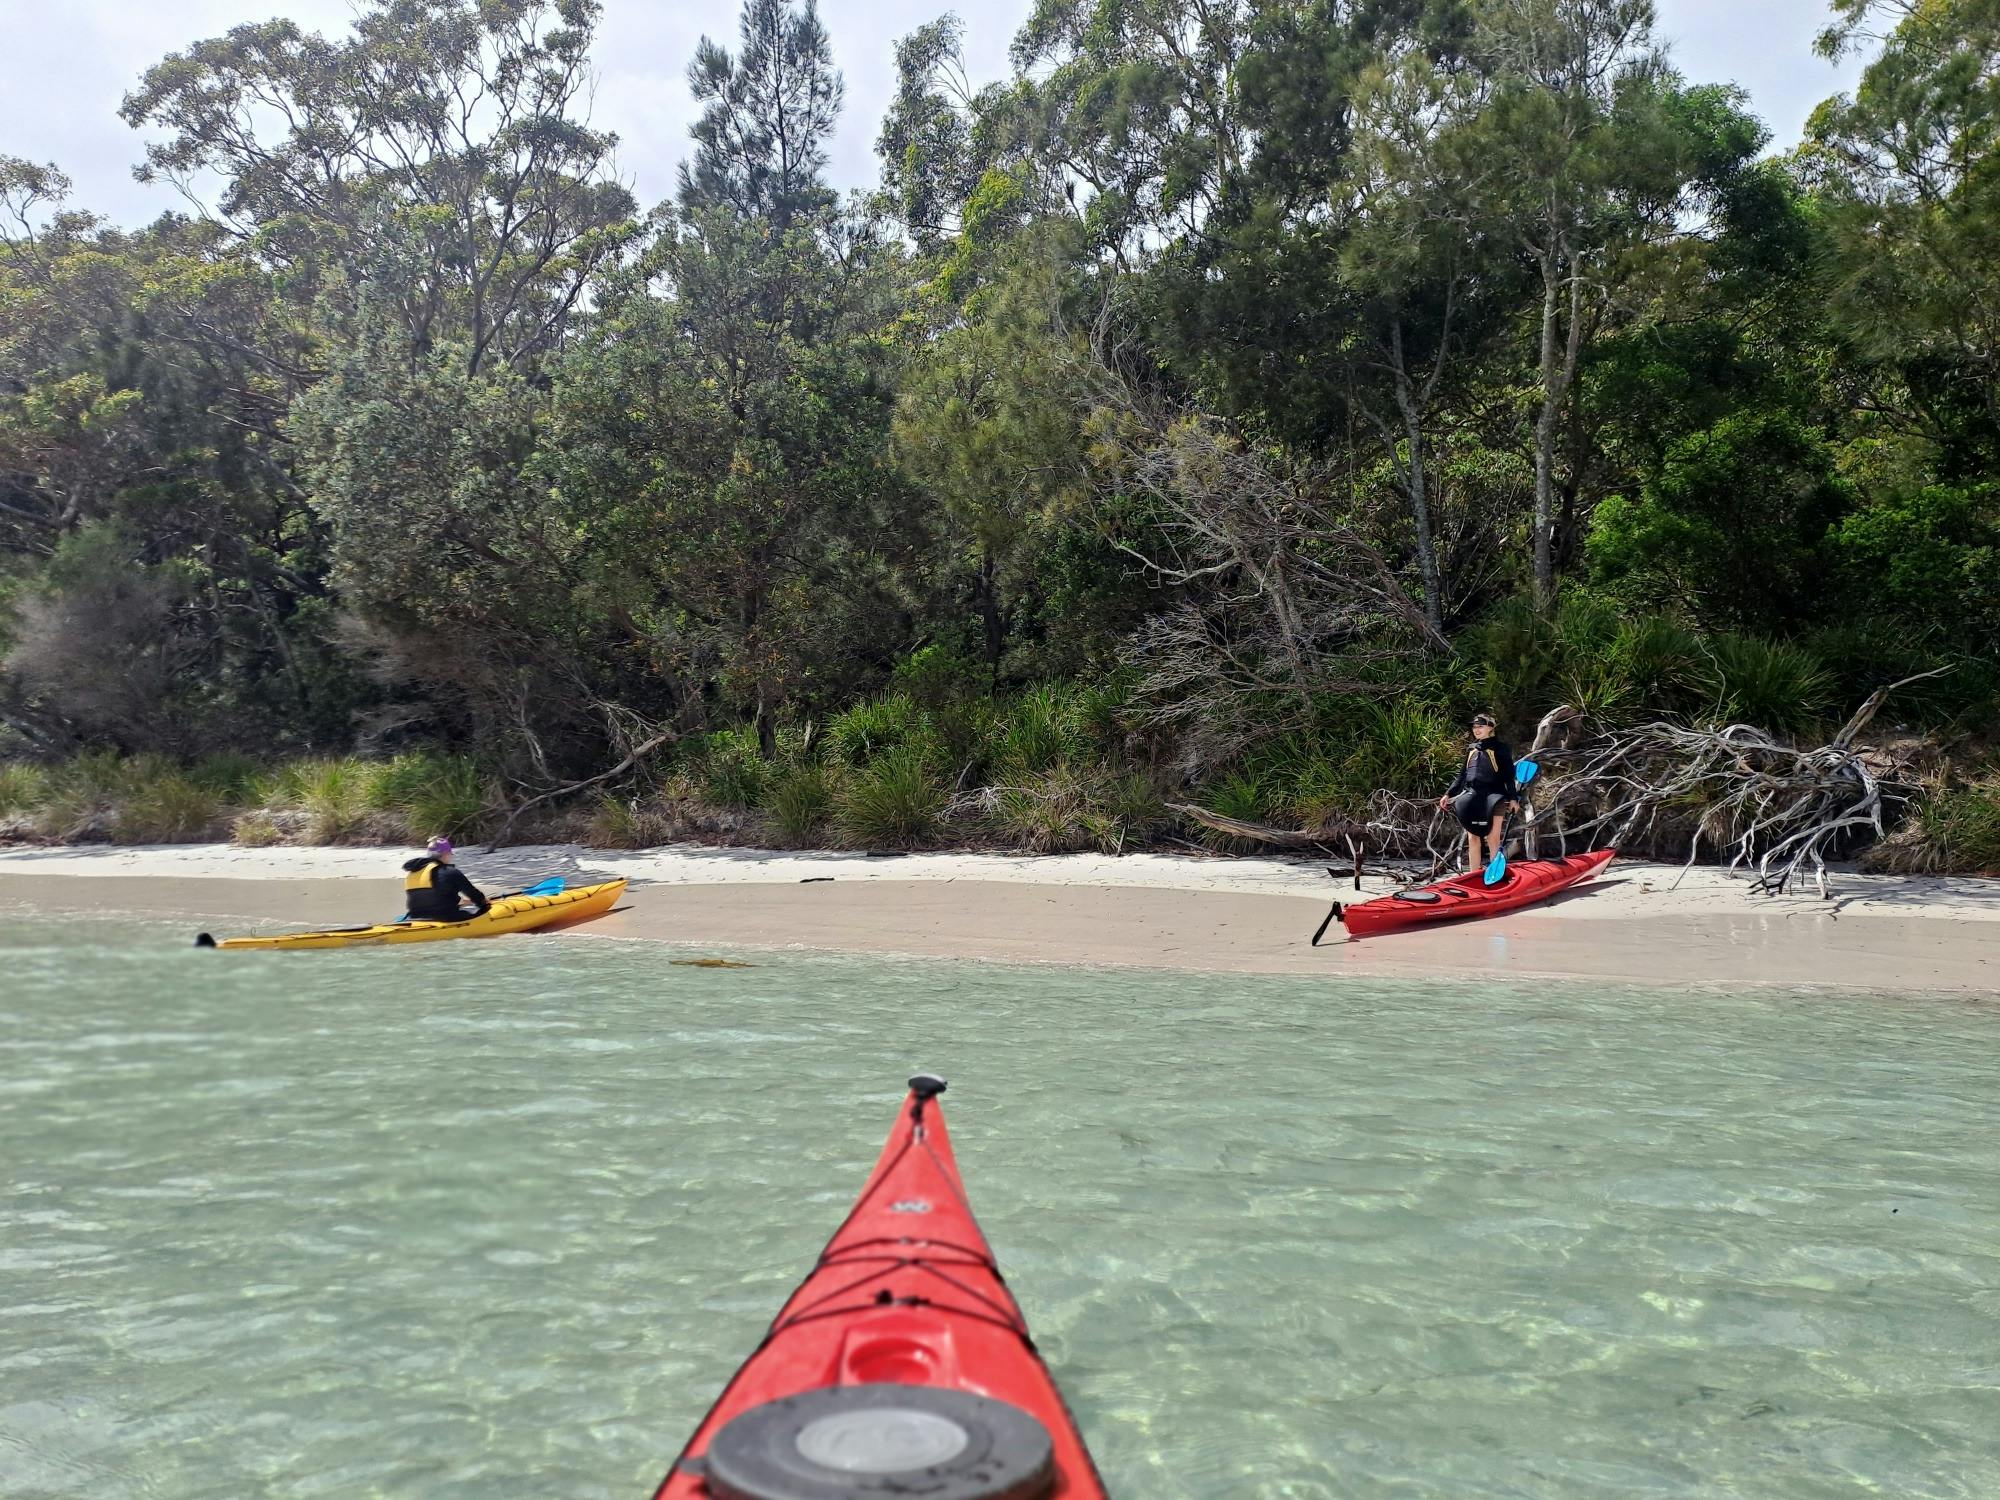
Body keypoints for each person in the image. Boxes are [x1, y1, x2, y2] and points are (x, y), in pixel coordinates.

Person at [1438, 713, 1520, 875]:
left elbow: (1509, 776)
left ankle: (1496, 875)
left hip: (1494, 796)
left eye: (1480, 726)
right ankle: (1474, 875)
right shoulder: (1471, 749)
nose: (1476, 730)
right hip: (1472, 796)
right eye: (1474, 727)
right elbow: (1462, 775)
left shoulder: (1501, 748)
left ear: (1491, 727)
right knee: (1473, 839)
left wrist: (1513, 798)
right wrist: (1448, 793)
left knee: (1492, 838)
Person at [402, 836, 491, 921]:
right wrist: (484, 902)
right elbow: (473, 894)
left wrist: (466, 902)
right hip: (445, 917)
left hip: (415, 917)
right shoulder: (449, 871)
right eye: (450, 853)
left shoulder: (413, 873)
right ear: (445, 854)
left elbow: (433, 897)